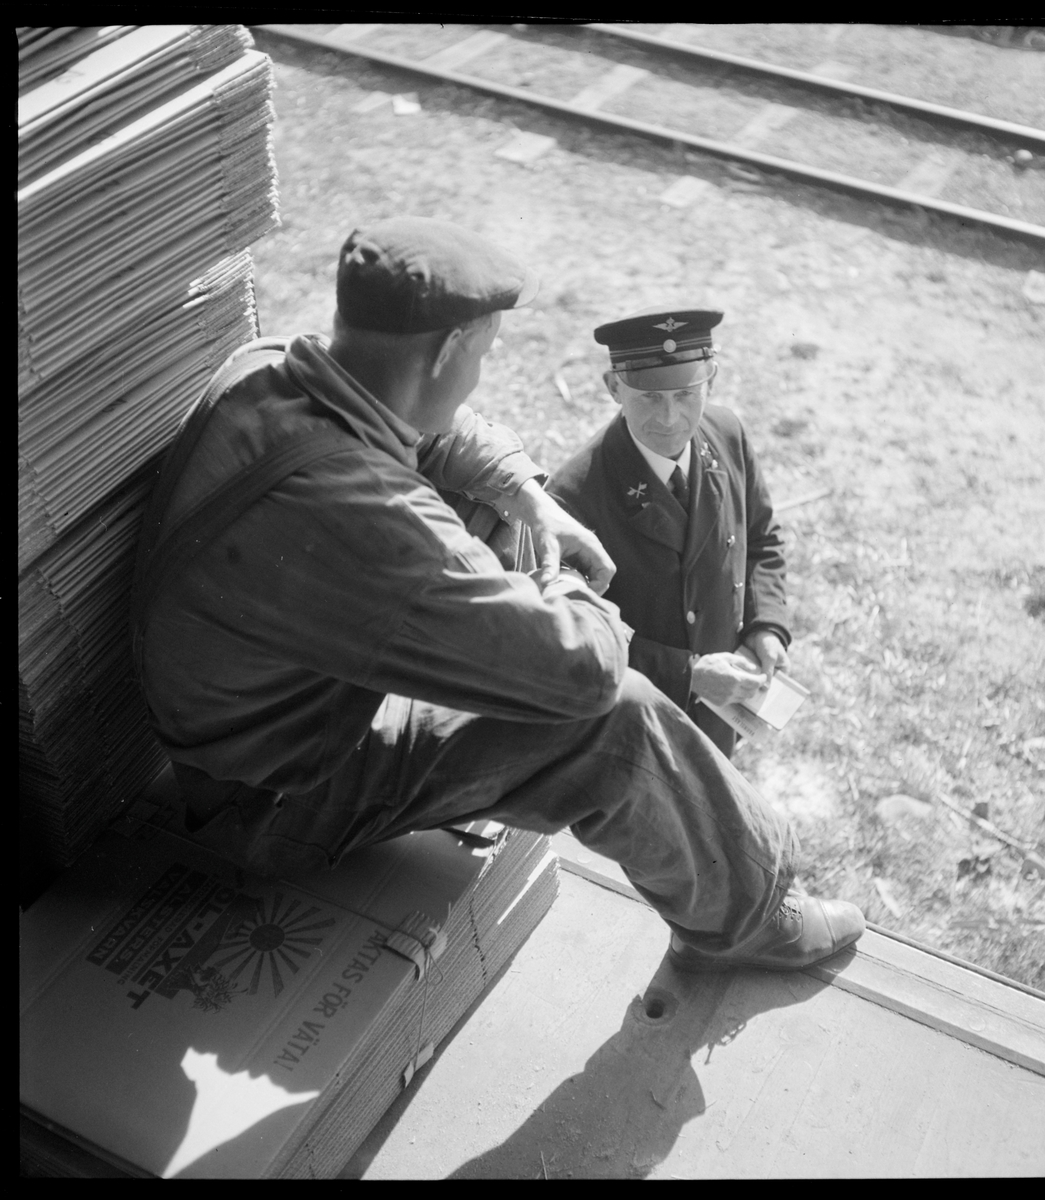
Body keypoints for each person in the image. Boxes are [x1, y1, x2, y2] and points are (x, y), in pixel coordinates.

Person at [132, 216, 863, 973]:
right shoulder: (360, 515)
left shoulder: (278, 367)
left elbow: (441, 430)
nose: (480, 374)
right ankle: (752, 918)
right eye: (482, 353)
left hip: (273, 720)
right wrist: (564, 584)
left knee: (494, 514)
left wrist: (531, 499)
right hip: (282, 798)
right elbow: (587, 673)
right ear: (448, 350)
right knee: (614, 723)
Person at [548, 307, 789, 759]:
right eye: (649, 397)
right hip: (639, 724)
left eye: (685, 394)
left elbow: (761, 537)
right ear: (613, 387)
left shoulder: (728, 434)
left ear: (711, 381)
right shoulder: (573, 497)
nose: (669, 417)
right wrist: (688, 675)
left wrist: (767, 625)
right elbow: (576, 635)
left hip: (722, 707)